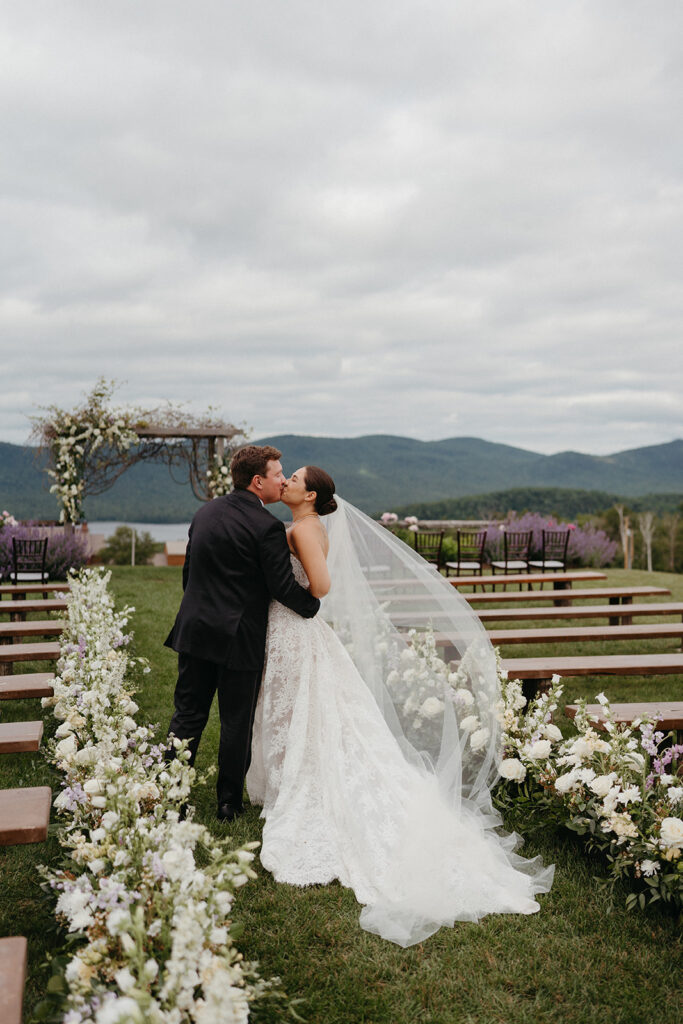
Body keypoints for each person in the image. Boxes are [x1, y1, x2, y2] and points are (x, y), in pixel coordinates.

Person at [247, 466, 554, 947]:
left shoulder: (305, 530)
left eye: (294, 478)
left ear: (309, 494)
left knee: (309, 710)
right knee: (308, 710)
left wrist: (288, 587)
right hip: (295, 631)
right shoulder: (302, 526)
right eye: (282, 476)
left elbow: (321, 587)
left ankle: (298, 780)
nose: (284, 482)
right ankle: (288, 771)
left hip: (299, 626)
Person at [164, 445, 320, 822]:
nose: (282, 480)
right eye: (277, 474)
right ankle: (227, 803)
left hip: (196, 630)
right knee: (236, 721)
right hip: (239, 637)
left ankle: (169, 791)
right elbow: (282, 586)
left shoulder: (205, 513)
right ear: (257, 481)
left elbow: (190, 574)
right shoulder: (266, 526)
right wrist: (312, 607)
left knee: (187, 714)